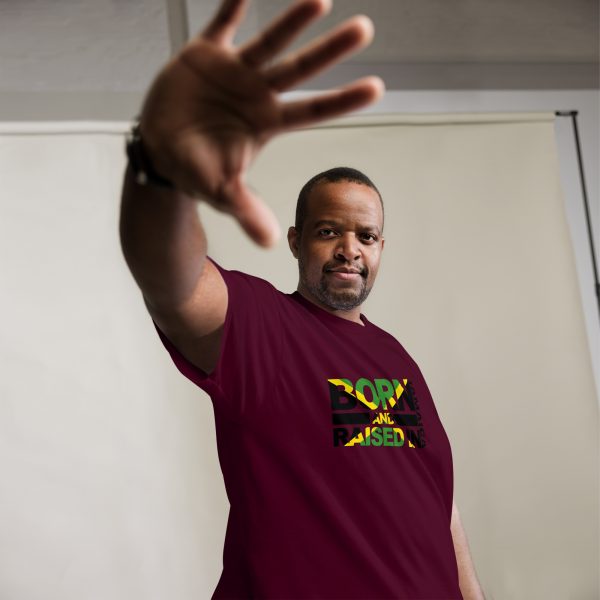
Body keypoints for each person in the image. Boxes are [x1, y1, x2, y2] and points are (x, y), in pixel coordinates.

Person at [119, 0, 485, 598]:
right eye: (327, 231)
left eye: (365, 236)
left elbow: (438, 501)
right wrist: (162, 169)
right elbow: (173, 283)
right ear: (296, 241)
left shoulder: (396, 357)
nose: (349, 249)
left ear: (381, 248)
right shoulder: (264, 326)